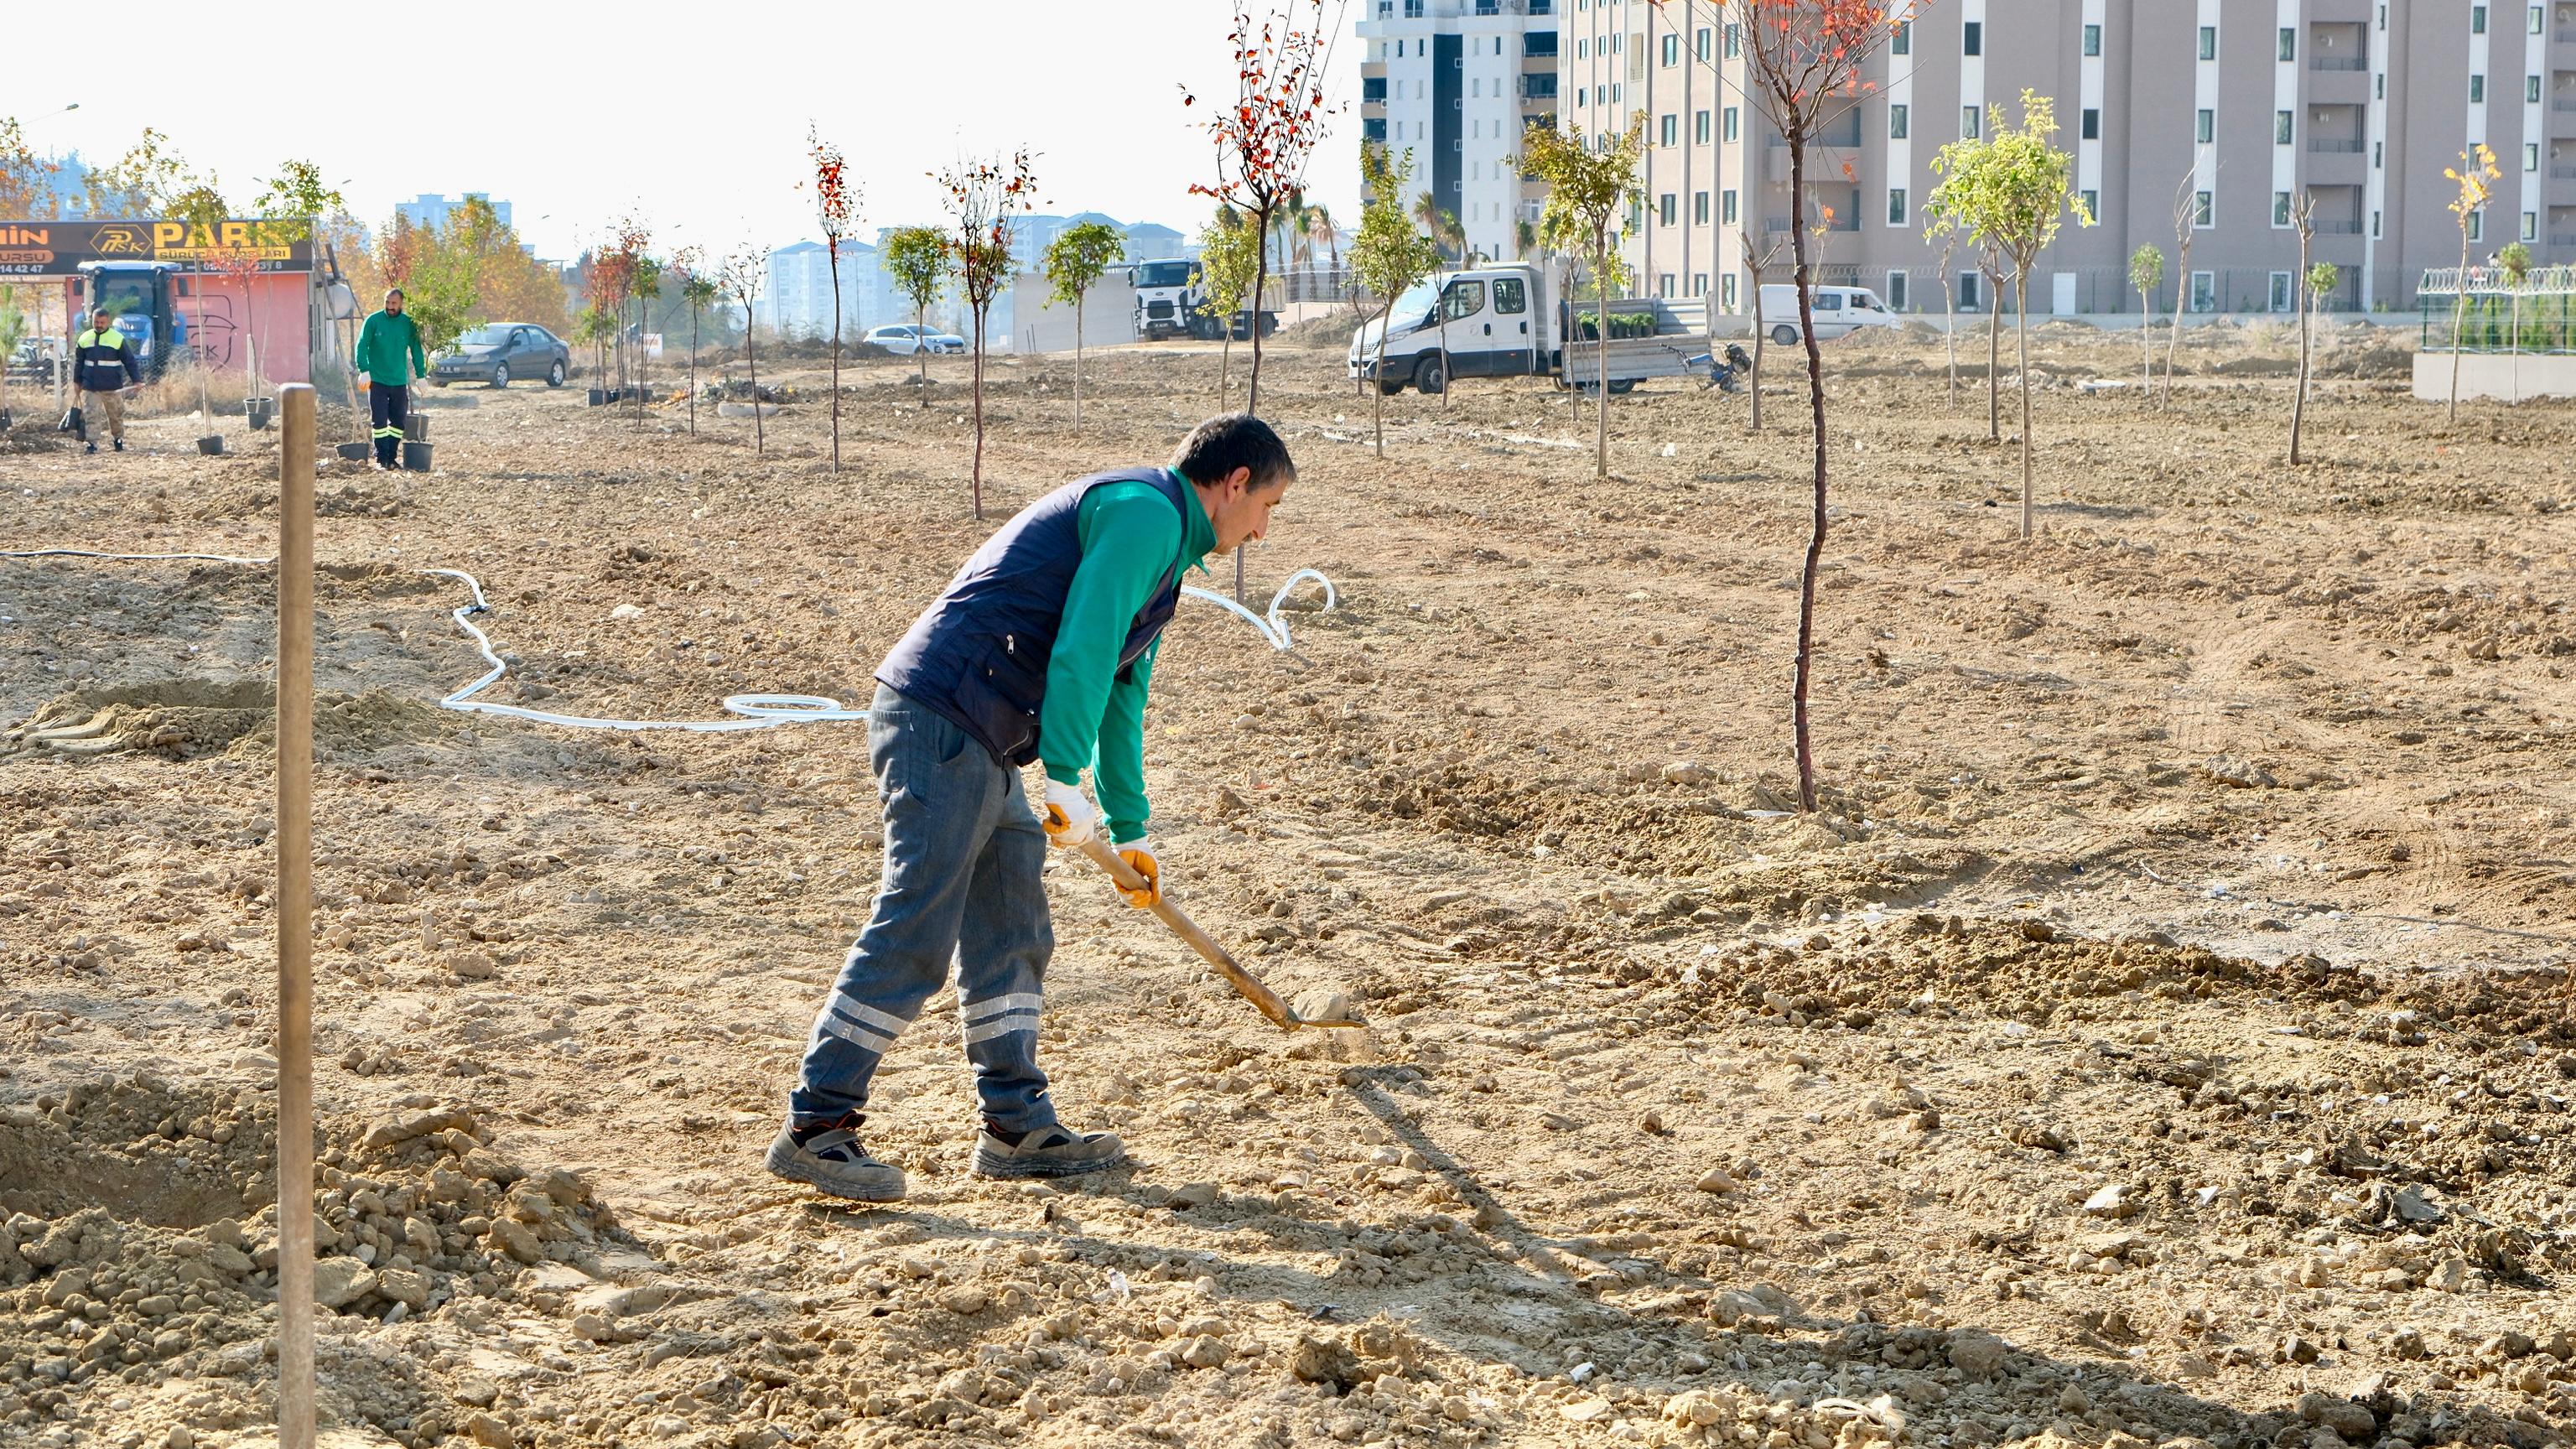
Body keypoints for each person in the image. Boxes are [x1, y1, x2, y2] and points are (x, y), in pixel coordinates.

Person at [767, 413, 1296, 1202]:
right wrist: (1065, 779)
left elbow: (1122, 689)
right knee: (918, 922)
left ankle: (1015, 1126)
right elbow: (1081, 647)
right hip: (944, 718)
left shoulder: (1166, 555)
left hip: (986, 738)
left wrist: (1131, 824)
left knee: (1014, 922)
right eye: (1269, 509)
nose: (1262, 531)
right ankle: (817, 1125)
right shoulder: (1145, 514)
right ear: (1236, 482)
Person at [355, 288, 428, 468]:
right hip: (377, 380)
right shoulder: (373, 321)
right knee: (379, 421)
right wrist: (364, 370)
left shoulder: (408, 324)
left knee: (398, 422)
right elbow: (362, 345)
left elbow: (416, 350)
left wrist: (421, 376)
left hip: (399, 381)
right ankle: (381, 458)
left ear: (401, 303)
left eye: (394, 303)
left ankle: (391, 457)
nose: (390, 306)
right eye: (387, 302)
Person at [70, 308, 143, 454]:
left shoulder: (117, 338)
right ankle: (92, 444)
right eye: (96, 322)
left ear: (108, 322)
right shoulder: (84, 338)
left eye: (102, 322)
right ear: (92, 321)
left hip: (112, 387)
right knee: (91, 415)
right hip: (91, 386)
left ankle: (118, 440)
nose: (99, 325)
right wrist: (76, 382)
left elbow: (129, 361)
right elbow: (79, 362)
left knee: (116, 415)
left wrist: (137, 380)